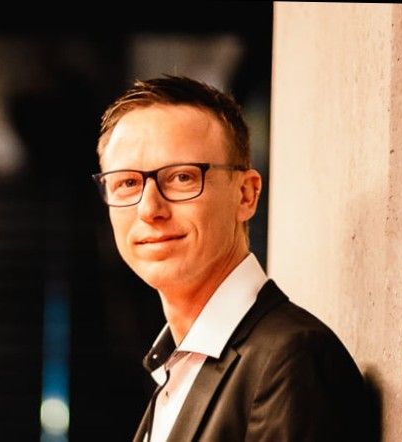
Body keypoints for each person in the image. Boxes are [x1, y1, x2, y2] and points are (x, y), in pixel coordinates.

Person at [92, 75, 368, 441]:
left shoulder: (291, 358)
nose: (149, 209)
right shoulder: (177, 368)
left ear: (246, 195)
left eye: (182, 177)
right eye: (127, 183)